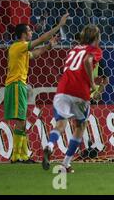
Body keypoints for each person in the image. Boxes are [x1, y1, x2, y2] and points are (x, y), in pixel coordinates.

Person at [42, 25, 107, 173]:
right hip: (80, 92)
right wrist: (92, 84)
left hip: (63, 89)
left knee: (60, 124)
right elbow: (87, 61)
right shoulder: (94, 50)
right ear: (96, 38)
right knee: (80, 126)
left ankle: (50, 145)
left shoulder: (74, 49)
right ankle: (65, 163)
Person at [5, 13, 69, 163]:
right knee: (20, 121)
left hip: (19, 85)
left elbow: (35, 54)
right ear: (22, 34)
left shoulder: (22, 51)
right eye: (29, 30)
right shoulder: (17, 46)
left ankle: (21, 156)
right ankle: (17, 157)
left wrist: (48, 47)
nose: (31, 32)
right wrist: (58, 26)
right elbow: (40, 39)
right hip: (15, 85)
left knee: (22, 120)